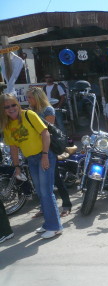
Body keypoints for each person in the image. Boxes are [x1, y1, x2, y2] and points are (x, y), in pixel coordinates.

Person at [0, 93, 63, 239]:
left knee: (46, 192)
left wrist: (45, 155)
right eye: (6, 107)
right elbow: (13, 147)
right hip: (31, 160)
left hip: (44, 155)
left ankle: (55, 227)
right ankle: (49, 223)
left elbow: (45, 134)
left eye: (13, 104)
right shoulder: (8, 125)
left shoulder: (29, 114)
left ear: (18, 104)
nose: (11, 108)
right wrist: (16, 166)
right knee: (40, 192)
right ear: (2, 110)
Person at [26, 87, 72, 218]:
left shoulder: (48, 110)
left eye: (30, 97)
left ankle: (67, 204)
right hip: (34, 148)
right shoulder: (30, 111)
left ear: (37, 98)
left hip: (48, 148)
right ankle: (44, 207)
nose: (28, 100)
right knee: (39, 183)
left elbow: (47, 129)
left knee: (55, 178)